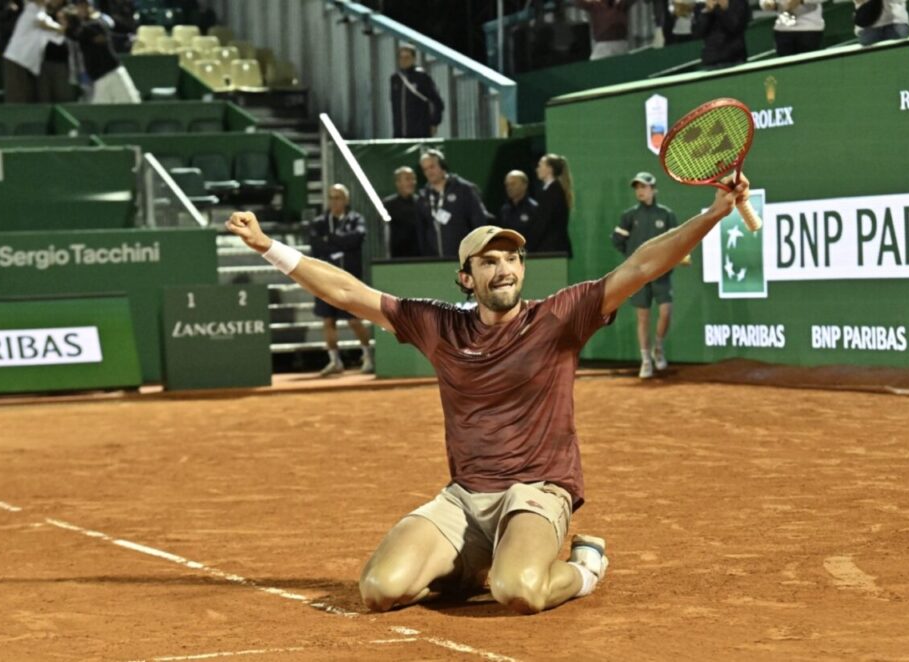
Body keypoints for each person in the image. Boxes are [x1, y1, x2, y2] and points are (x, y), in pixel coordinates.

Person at [225, 173, 750, 615]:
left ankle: (585, 566)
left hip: (538, 491)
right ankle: (475, 563)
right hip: (464, 498)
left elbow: (642, 266)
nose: (504, 269)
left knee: (519, 591)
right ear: (466, 277)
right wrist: (269, 247)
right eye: (489, 261)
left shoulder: (559, 317)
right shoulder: (438, 326)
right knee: (381, 590)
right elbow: (347, 291)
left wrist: (712, 213)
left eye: (512, 259)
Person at [611, 172, 682, 378]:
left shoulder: (666, 214)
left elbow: (677, 241)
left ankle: (658, 346)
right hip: (638, 275)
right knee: (642, 318)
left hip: (662, 272)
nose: (640, 191)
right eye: (637, 187)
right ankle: (645, 360)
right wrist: (632, 259)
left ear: (654, 189)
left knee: (666, 312)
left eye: (644, 187)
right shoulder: (629, 216)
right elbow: (617, 239)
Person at [305, 184, 374, 377]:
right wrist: (342, 243)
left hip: (350, 280)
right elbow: (316, 246)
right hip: (325, 281)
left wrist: (332, 239)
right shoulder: (319, 222)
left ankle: (368, 357)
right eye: (332, 197)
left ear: (346, 200)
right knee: (328, 320)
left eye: (339, 197)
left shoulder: (356, 219)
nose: (335, 201)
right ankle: (335, 361)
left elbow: (357, 238)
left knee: (354, 320)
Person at [59, 0, 140, 104]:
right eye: (79, 6)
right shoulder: (81, 28)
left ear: (91, 7)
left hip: (113, 73)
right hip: (98, 78)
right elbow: (75, 34)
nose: (81, 9)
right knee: (100, 113)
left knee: (130, 105)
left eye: (84, 5)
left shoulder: (99, 22)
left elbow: (83, 32)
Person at [416, 149, 489, 259]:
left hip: (463, 258)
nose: (429, 172)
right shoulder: (423, 197)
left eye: (432, 167)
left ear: (442, 165)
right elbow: (421, 232)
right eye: (425, 169)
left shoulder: (464, 190)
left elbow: (479, 221)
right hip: (433, 261)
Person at [1, 0, 65, 103]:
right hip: (16, 60)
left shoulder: (43, 14)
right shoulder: (32, 9)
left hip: (29, 65)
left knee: (28, 99)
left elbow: (58, 37)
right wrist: (61, 28)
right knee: (16, 101)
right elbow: (43, 24)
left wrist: (63, 28)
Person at [389, 43, 444, 139]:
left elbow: (437, 102)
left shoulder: (422, 77)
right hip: (399, 133)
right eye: (401, 58)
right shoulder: (395, 78)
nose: (403, 60)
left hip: (420, 132)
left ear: (414, 59)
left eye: (407, 57)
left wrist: (434, 122)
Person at [693, 0, 751, 70]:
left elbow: (735, 26)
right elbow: (698, 33)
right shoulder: (702, 4)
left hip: (735, 61)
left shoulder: (739, 2)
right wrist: (707, 12)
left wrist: (718, 9)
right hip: (710, 61)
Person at [534, 153, 573, 256]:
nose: (537, 169)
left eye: (540, 165)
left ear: (549, 169)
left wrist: (530, 245)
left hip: (552, 250)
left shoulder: (553, 192)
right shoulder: (551, 191)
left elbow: (543, 223)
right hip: (551, 248)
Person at [382, 166, 423, 259]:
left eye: (413, 179)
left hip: (420, 257)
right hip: (396, 257)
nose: (412, 182)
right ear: (398, 183)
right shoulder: (387, 204)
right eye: (408, 179)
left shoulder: (422, 203)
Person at [497, 170, 543, 251]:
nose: (509, 188)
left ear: (524, 185)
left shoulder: (534, 209)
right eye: (507, 185)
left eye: (513, 184)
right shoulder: (505, 210)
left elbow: (538, 236)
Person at [760, 0, 826, 56]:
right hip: (782, 30)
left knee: (808, 67)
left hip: (809, 30)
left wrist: (801, 0)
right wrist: (767, 3)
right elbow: (764, 2)